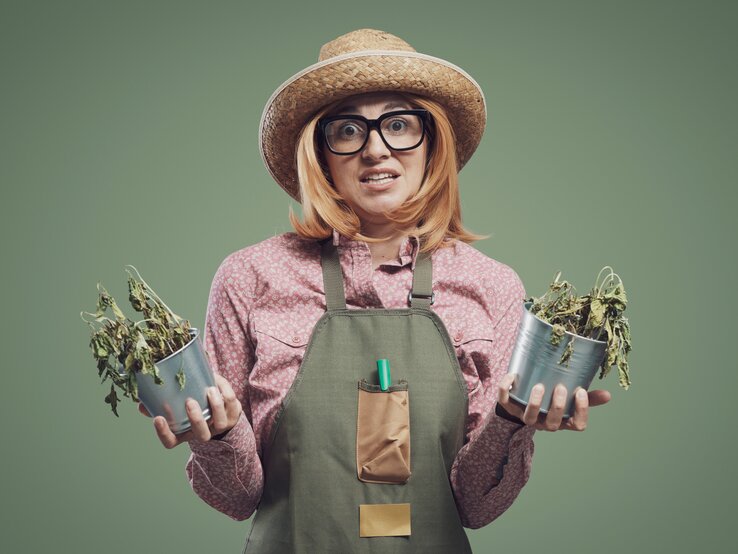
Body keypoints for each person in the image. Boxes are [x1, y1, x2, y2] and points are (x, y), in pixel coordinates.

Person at [138, 28, 611, 553]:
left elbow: (477, 509)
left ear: (433, 143)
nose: (376, 149)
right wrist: (216, 437)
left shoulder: (490, 285)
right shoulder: (251, 276)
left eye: (400, 124)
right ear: (320, 152)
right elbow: (238, 499)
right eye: (347, 130)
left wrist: (512, 421)